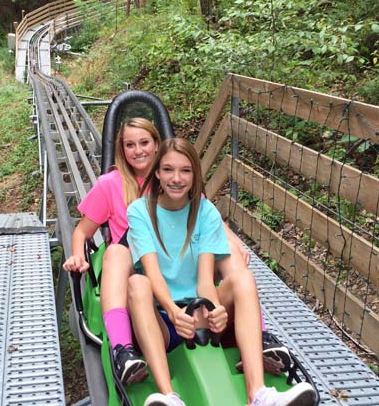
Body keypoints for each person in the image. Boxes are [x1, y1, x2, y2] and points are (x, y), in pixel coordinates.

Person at [127, 138, 317, 406]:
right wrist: (172, 311)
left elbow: (205, 280)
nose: (176, 179)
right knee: (137, 282)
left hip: (198, 313)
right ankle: (169, 395)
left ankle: (258, 393)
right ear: (157, 172)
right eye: (168, 169)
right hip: (162, 318)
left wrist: (215, 308)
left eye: (185, 171)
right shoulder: (139, 211)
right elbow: (153, 273)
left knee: (243, 278)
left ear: (195, 175)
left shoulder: (205, 212)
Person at [63, 118, 160, 385]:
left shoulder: (172, 177)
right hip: (130, 262)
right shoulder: (111, 184)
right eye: (130, 145)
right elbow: (82, 231)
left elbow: (205, 216)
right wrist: (78, 255)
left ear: (156, 144)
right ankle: (122, 351)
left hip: (167, 259)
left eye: (144, 143)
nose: (138, 151)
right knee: (116, 252)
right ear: (122, 149)